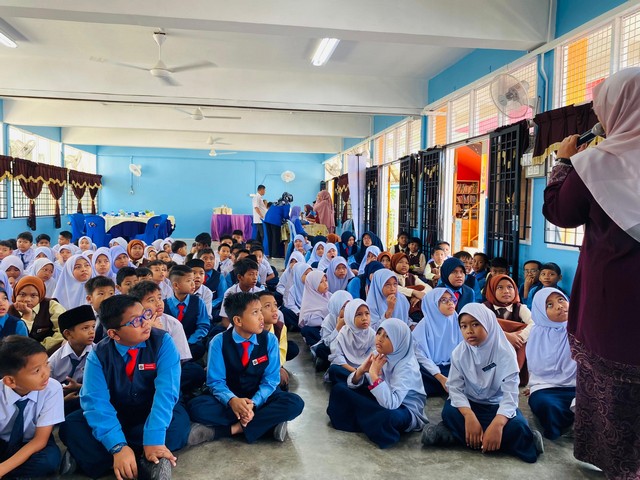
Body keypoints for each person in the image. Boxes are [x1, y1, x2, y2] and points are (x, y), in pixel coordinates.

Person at [542, 68, 640, 479]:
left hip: (613, 300)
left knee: (613, 387)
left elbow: (559, 212)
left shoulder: (595, 163)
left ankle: (622, 467)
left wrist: (565, 161)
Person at [59, 295, 190, 478]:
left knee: (177, 427)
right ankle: (142, 461)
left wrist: (153, 438)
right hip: (117, 412)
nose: (145, 323)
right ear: (114, 334)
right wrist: (118, 446)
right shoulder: (98, 355)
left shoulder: (163, 342)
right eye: (136, 321)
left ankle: (98, 458)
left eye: (145, 315)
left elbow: (166, 393)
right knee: (71, 425)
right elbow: (96, 402)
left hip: (151, 410)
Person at [422, 304, 543, 463]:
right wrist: (469, 416)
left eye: (475, 324)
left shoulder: (505, 353)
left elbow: (511, 396)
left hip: (497, 407)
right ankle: (517, 440)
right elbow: (455, 389)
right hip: (470, 404)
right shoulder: (459, 353)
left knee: (517, 424)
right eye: (464, 326)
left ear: (488, 324)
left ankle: (449, 435)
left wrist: (498, 424)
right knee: (450, 411)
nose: (469, 331)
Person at [187, 292, 305, 444]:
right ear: (238, 320)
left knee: (294, 403)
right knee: (197, 407)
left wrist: (253, 404)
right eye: (255, 313)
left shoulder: (269, 340)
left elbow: (270, 380)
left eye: (261, 311)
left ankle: (230, 430)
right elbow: (216, 382)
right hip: (231, 395)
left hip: (260, 396)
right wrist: (232, 400)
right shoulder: (218, 342)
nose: (261, 317)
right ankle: (268, 424)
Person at [327, 318, 427, 449]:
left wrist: (374, 375)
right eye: (379, 333)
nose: (380, 339)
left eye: (387, 336)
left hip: (403, 408)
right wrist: (361, 371)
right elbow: (352, 384)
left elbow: (392, 404)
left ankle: (365, 418)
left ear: (399, 341)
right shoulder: (379, 354)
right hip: (380, 397)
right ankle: (368, 420)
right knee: (340, 389)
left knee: (387, 417)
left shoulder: (407, 366)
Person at [0, 336, 64, 478]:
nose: (46, 373)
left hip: (33, 442)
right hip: (3, 441)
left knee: (49, 461)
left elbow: (40, 440)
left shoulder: (52, 388)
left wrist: (2, 469)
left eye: (46, 364)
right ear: (10, 381)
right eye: (36, 371)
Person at [527, 288, 576, 440]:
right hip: (545, 386)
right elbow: (535, 365)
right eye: (549, 304)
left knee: (590, 403)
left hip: (577, 385)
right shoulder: (537, 333)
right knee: (547, 406)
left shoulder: (578, 329)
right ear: (541, 312)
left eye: (561, 300)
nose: (559, 306)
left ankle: (576, 425)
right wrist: (533, 384)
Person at [483, 274, 534, 385]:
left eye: (510, 287)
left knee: (526, 332)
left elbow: (534, 324)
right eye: (500, 287)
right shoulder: (484, 308)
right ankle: (491, 375)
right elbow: (481, 328)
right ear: (492, 290)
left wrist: (519, 337)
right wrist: (506, 336)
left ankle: (513, 374)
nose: (506, 291)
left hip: (515, 347)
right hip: (493, 347)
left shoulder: (520, 308)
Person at [412, 288, 462, 397]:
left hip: (453, 367)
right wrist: (440, 377)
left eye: (451, 299)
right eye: (444, 300)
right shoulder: (424, 325)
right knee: (414, 373)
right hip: (430, 370)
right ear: (433, 304)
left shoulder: (457, 319)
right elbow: (420, 356)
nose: (450, 303)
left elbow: (464, 349)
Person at [48, 305, 96, 415]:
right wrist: (61, 400)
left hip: (91, 401)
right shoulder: (55, 360)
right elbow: (45, 388)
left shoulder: (99, 354)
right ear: (68, 334)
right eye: (85, 328)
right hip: (59, 403)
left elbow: (106, 386)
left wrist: (78, 387)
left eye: (93, 327)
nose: (91, 332)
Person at [163, 265, 209, 361]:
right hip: (169, 343)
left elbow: (203, 326)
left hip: (191, 343)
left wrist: (189, 341)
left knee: (198, 348)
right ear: (176, 285)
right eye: (188, 281)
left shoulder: (198, 302)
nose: (193, 284)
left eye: (193, 280)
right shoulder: (164, 305)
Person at [8, 276, 65, 354]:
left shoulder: (51, 305)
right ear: (15, 295)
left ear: (40, 296)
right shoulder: (9, 311)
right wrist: (27, 316)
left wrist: (41, 347)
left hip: (49, 352)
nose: (27, 299)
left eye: (33, 295)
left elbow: (63, 330)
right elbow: (14, 340)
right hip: (20, 354)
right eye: (22, 294)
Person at [256, 291, 297, 390]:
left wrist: (276, 368)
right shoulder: (251, 328)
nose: (274, 309)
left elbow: (281, 354)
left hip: (271, 365)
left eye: (275, 305)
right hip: (255, 367)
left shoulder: (280, 327)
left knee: (282, 378)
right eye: (267, 306)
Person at [327, 299, 375, 384]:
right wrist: (356, 372)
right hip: (348, 368)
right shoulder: (344, 333)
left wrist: (364, 370)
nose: (364, 318)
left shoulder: (372, 334)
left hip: (366, 369)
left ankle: (357, 382)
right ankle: (360, 382)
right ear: (350, 317)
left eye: (367, 313)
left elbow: (375, 355)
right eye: (359, 314)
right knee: (334, 369)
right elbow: (337, 356)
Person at [298, 270, 332, 347]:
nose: (325, 284)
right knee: (307, 330)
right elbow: (308, 321)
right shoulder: (308, 300)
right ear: (313, 284)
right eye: (321, 282)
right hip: (320, 328)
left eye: (326, 280)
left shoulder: (330, 296)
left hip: (333, 327)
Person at [85, 276, 116, 343]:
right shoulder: (83, 316)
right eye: (101, 294)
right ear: (89, 299)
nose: (107, 298)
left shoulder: (119, 316)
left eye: (111, 293)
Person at [263, 192, 293, 258]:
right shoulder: (286, 204)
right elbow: (286, 215)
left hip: (267, 220)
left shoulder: (276, 202)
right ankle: (275, 254)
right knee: (275, 238)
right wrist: (288, 219)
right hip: (275, 221)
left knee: (270, 237)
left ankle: (271, 254)